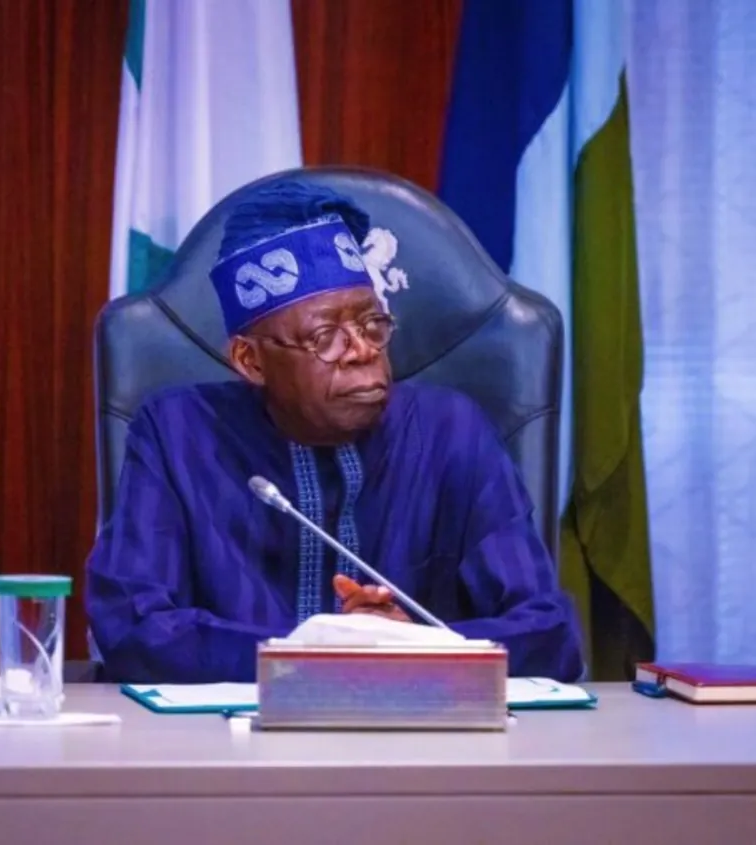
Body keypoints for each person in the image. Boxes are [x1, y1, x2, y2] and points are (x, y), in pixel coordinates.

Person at [85, 182, 583, 683]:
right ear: (250, 361)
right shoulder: (179, 435)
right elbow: (131, 624)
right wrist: (313, 651)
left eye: (372, 326)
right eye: (326, 337)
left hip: (423, 728)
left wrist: (412, 644)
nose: (362, 351)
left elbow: (550, 633)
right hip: (229, 734)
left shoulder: (452, 432)